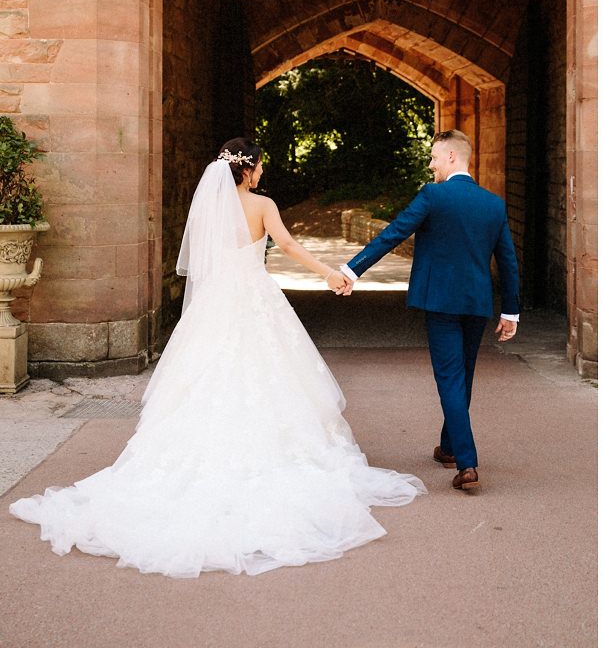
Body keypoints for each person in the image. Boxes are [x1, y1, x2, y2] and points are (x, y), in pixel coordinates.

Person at [9, 138, 426, 577]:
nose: (263, 172)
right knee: (271, 379)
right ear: (249, 170)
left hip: (213, 306)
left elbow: (202, 261)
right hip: (255, 301)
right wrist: (330, 273)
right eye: (261, 165)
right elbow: (285, 246)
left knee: (206, 378)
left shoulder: (208, 208)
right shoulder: (262, 205)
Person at [334, 129, 519, 492]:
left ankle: (467, 463)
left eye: (434, 157)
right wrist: (510, 311)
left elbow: (394, 234)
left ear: (451, 157)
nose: (431, 164)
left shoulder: (433, 196)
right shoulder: (493, 204)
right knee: (462, 375)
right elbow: (509, 262)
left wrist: (351, 270)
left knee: (450, 377)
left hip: (440, 302)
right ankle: (449, 447)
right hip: (477, 304)